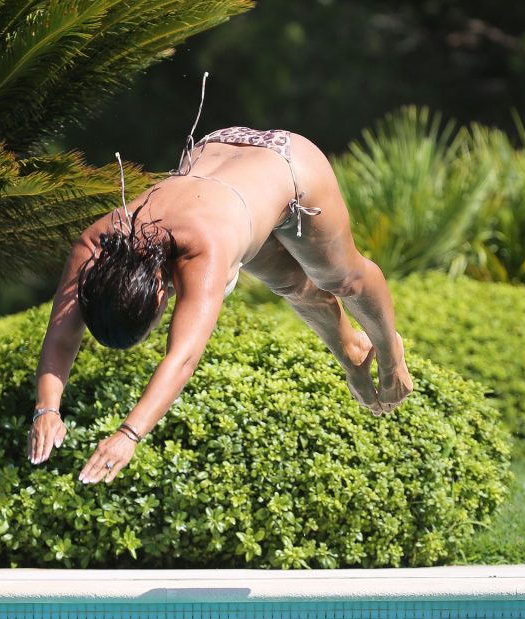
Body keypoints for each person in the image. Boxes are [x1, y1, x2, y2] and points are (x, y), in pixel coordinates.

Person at [28, 125, 413, 484]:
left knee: (340, 278)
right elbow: (61, 336)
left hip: (287, 164)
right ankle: (353, 355)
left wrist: (129, 435)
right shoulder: (95, 245)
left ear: (161, 294)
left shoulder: (202, 251)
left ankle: (389, 353)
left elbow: (181, 358)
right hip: (217, 159)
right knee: (293, 286)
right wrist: (47, 409)